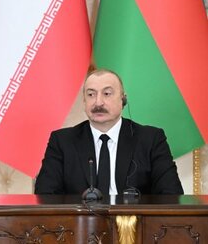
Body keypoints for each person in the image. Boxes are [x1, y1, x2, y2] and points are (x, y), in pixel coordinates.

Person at [34, 68, 183, 196]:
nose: (98, 102)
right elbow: (45, 196)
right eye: (91, 94)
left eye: (107, 93)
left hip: (135, 220)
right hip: (79, 221)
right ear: (84, 101)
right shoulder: (62, 141)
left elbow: (171, 195)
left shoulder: (151, 139)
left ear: (123, 100)